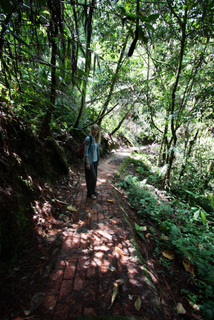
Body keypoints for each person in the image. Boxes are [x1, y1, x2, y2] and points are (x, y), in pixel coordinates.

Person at [83, 124, 101, 199]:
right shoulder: (88, 138)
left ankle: (93, 191)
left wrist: (97, 160)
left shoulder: (96, 138)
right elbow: (86, 151)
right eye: (94, 130)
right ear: (91, 130)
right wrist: (87, 162)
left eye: (96, 130)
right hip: (89, 161)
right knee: (91, 177)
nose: (95, 131)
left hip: (95, 161)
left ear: (98, 131)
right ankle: (89, 193)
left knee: (95, 177)